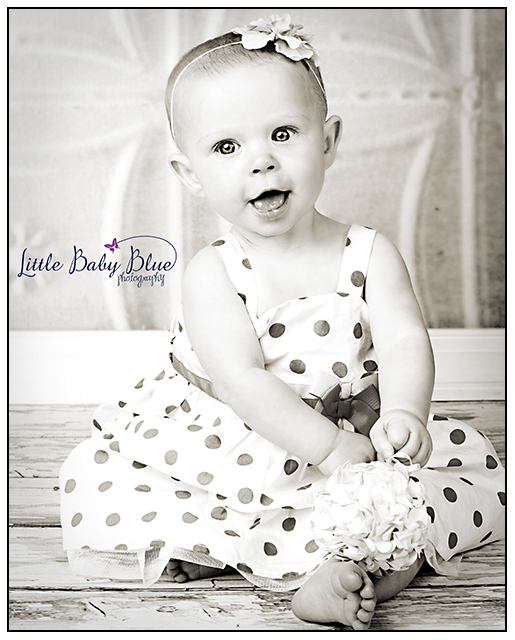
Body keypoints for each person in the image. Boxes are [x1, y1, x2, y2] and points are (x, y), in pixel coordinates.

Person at [60, 15, 505, 630]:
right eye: (227, 147)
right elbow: (242, 381)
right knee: (150, 488)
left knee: (433, 493)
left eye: (283, 133)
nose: (261, 162)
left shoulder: (368, 251)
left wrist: (404, 413)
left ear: (328, 140)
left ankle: (354, 571)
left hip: (359, 435)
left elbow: (405, 338)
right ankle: (219, 546)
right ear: (190, 174)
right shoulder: (214, 272)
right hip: (243, 443)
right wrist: (329, 448)